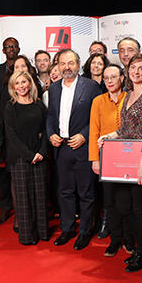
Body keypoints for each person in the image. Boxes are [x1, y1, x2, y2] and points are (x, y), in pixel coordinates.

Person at [97, 54, 142, 272]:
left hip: (141, 159)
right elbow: (125, 129)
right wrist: (109, 136)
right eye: (133, 68)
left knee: (140, 208)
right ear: (128, 71)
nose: (136, 72)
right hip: (126, 158)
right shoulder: (130, 93)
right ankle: (139, 248)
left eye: (141, 68)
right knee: (128, 206)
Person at [47, 49, 102, 250]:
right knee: (65, 191)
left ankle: (85, 231)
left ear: (78, 65)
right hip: (61, 148)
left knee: (86, 193)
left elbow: (97, 117)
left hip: (83, 147)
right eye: (62, 64)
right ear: (58, 66)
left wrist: (84, 135)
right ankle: (67, 228)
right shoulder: (54, 88)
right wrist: (51, 134)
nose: (67, 67)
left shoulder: (91, 86)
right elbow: (50, 116)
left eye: (71, 63)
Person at [3, 71, 50, 245]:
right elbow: (11, 135)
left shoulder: (39, 105)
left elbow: (46, 130)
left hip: (39, 156)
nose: (21, 86)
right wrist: (29, 155)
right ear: (13, 87)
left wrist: (42, 152)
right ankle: (27, 236)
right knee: (24, 198)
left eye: (24, 82)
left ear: (30, 84)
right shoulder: (10, 107)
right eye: (17, 83)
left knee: (40, 196)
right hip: (20, 158)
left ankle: (42, 232)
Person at [88, 64, 129, 251]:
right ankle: (115, 239)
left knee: (126, 200)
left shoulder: (130, 97)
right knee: (109, 200)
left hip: (128, 156)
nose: (110, 81)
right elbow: (94, 131)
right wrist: (95, 159)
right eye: (106, 78)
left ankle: (128, 238)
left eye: (113, 77)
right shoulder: (98, 101)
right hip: (106, 158)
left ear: (122, 78)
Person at [0, 37, 20, 226]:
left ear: (18, 49)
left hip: (20, 124)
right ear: (3, 50)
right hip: (1, 125)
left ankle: (21, 208)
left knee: (19, 169)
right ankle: (5, 207)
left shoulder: (23, 68)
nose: (11, 49)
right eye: (8, 46)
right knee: (3, 171)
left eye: (14, 46)